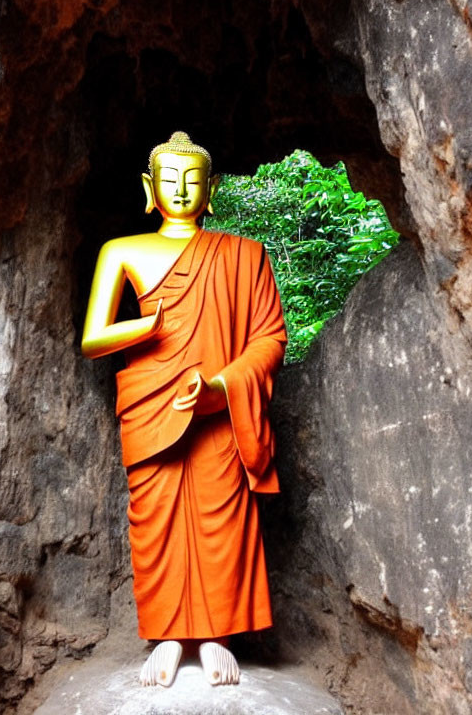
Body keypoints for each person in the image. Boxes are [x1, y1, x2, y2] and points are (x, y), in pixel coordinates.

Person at [81, 131, 287, 687]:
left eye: (192, 178)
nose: (181, 187)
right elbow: (93, 337)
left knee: (223, 514)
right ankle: (169, 634)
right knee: (157, 519)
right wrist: (143, 325)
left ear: (211, 188)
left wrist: (224, 386)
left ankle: (218, 633)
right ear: (150, 188)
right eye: (169, 178)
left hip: (216, 406)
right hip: (151, 401)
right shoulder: (121, 251)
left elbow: (270, 338)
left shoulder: (243, 255)